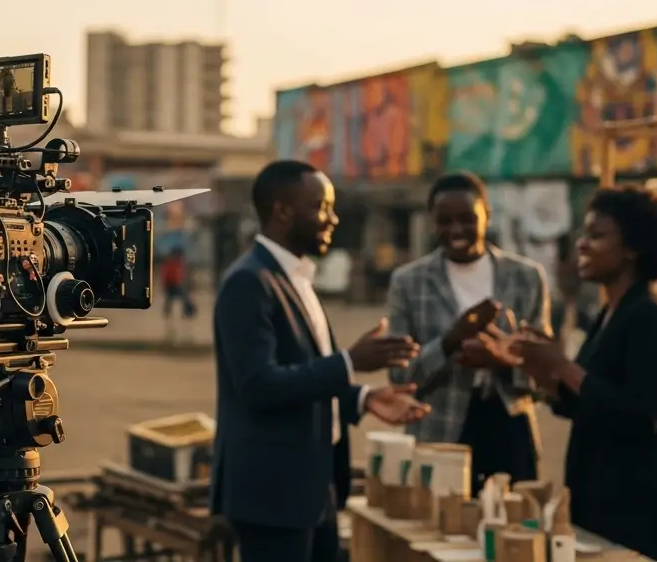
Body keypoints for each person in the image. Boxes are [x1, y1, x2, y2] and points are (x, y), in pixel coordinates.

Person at [211, 159, 429, 562]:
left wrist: (363, 398)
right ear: (282, 211)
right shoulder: (249, 282)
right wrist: (349, 361)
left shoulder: (295, 276)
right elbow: (259, 385)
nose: (333, 218)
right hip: (273, 498)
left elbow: (303, 377)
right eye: (322, 207)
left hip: (315, 488)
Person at [517, 186, 657, 562]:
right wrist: (536, 367)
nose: (582, 246)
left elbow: (639, 417)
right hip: (610, 495)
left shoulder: (650, 315)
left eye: (597, 236)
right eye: (584, 235)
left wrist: (563, 366)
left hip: (650, 505)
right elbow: (587, 403)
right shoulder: (610, 313)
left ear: (633, 248)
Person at [386, 171, 551, 490]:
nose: (456, 229)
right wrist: (449, 342)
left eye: (466, 218)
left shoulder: (527, 278)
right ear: (432, 222)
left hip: (510, 429)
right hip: (440, 431)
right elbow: (401, 378)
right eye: (444, 221)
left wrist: (502, 360)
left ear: (487, 215)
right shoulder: (409, 282)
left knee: (512, 529)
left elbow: (546, 375)